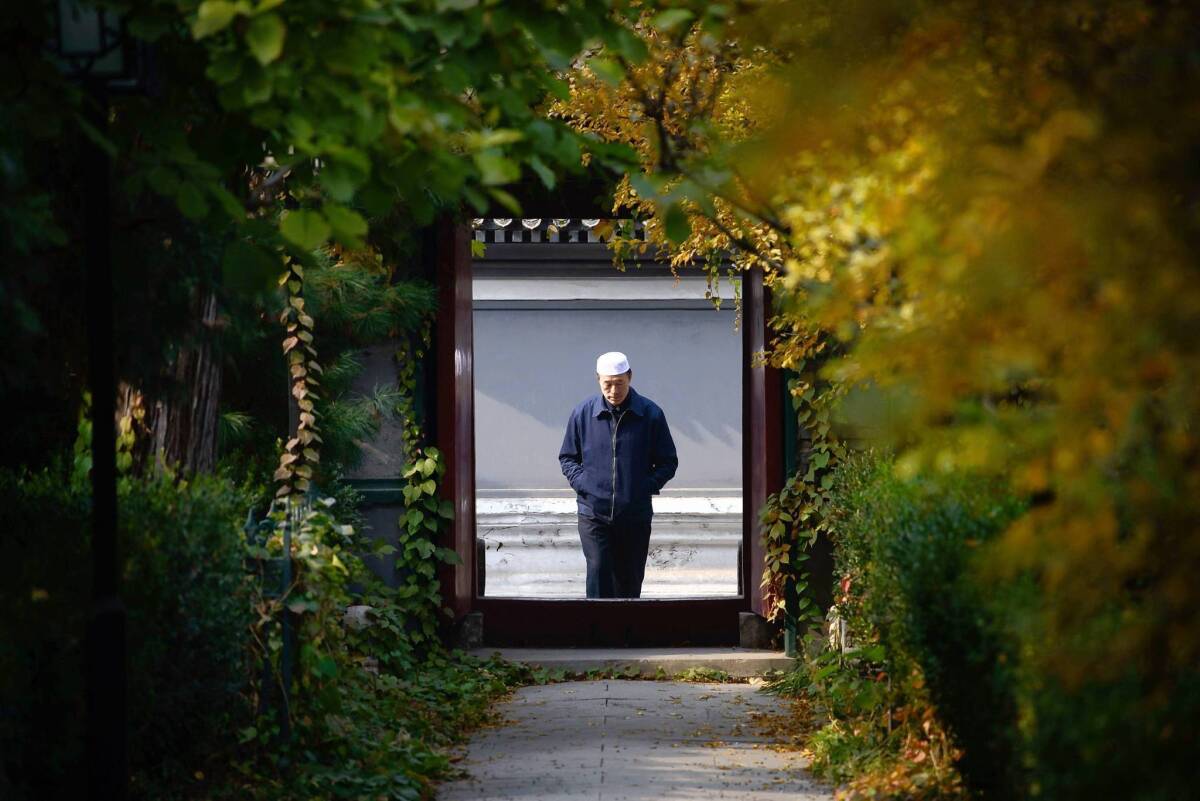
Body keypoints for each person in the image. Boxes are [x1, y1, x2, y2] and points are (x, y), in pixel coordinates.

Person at [558, 351, 679, 598]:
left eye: (619, 383)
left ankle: (627, 634)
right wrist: (585, 485)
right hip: (593, 513)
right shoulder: (583, 413)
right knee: (599, 570)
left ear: (630, 377)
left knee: (629, 578)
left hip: (634, 515)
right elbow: (568, 457)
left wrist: (644, 486)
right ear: (598, 380)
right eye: (608, 384)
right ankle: (597, 634)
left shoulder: (650, 414)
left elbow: (668, 461)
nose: (613, 390)